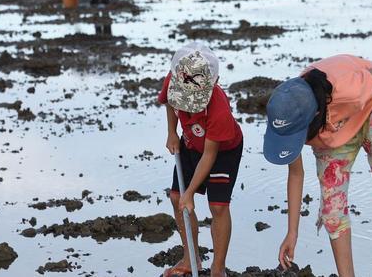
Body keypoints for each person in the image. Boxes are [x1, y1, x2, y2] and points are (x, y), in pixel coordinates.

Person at [263, 55, 372, 276]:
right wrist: (292, 232)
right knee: (332, 210)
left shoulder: (349, 87)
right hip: (332, 130)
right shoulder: (289, 111)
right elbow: (295, 174)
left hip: (368, 108)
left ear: (314, 115)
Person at [158, 42, 243, 277]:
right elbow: (169, 102)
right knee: (176, 198)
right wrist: (172, 132)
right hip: (188, 142)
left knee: (217, 206)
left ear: (212, 84)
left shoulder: (218, 110)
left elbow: (209, 154)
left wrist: (191, 193)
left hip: (222, 151)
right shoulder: (175, 78)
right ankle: (190, 258)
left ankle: (218, 269)